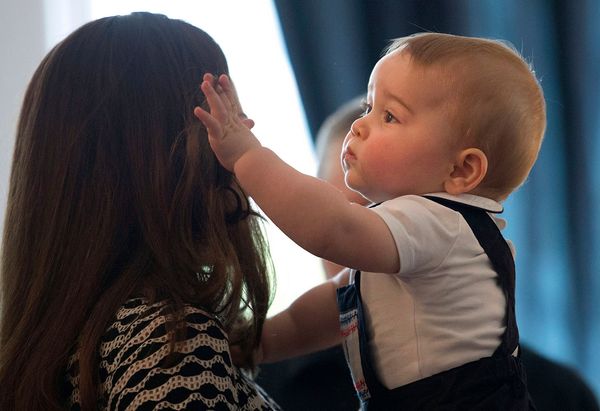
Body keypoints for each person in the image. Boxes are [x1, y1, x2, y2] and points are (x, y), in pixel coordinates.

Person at [196, 31, 546, 409]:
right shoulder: (414, 245)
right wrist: (254, 342)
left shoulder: (442, 224)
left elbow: (333, 228)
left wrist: (246, 157)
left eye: (390, 115)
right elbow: (326, 312)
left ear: (462, 170)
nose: (360, 126)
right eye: (368, 107)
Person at [0, 12, 280, 410]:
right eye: (226, 117)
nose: (244, 135)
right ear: (176, 152)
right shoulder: (172, 345)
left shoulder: (77, 351)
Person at [257, 96, 600, 411]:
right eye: (355, 212)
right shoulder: (263, 383)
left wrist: (246, 157)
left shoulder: (559, 395)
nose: (369, 241)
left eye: (399, 218)